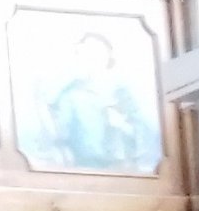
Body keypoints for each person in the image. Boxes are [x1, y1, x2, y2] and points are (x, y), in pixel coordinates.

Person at [40, 30, 155, 171]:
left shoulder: (122, 92)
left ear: (107, 56)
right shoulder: (71, 96)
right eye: (86, 54)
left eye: (96, 53)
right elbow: (58, 137)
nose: (91, 59)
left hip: (124, 172)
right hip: (86, 171)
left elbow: (147, 136)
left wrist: (122, 126)